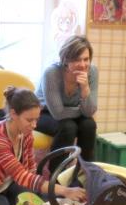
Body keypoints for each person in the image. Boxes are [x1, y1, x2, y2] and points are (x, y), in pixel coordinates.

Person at [35, 35, 98, 173]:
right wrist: (82, 109)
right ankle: (56, 175)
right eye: (76, 59)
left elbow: (90, 111)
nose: (82, 64)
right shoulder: (51, 73)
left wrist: (85, 89)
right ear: (65, 59)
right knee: (68, 126)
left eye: (86, 59)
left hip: (71, 111)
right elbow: (58, 113)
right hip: (44, 113)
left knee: (89, 124)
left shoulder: (92, 72)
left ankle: (85, 174)